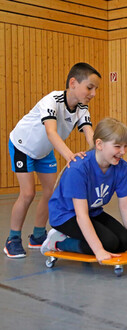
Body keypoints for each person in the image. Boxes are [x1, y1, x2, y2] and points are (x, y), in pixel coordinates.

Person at [4, 62, 101, 258]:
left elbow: (90, 134)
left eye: (96, 89)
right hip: (22, 146)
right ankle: (12, 239)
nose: (93, 93)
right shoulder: (52, 100)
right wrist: (69, 156)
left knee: (51, 192)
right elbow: (51, 132)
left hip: (44, 151)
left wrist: (99, 155)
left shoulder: (82, 109)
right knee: (28, 193)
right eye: (90, 87)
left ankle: (38, 235)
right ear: (73, 83)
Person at [41, 118, 127, 262]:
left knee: (124, 241)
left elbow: (125, 205)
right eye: (117, 146)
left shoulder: (122, 167)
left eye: (125, 146)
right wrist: (99, 250)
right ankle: (58, 242)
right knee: (109, 244)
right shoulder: (79, 168)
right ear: (99, 144)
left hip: (92, 211)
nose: (123, 151)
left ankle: (119, 242)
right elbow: (81, 215)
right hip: (66, 216)